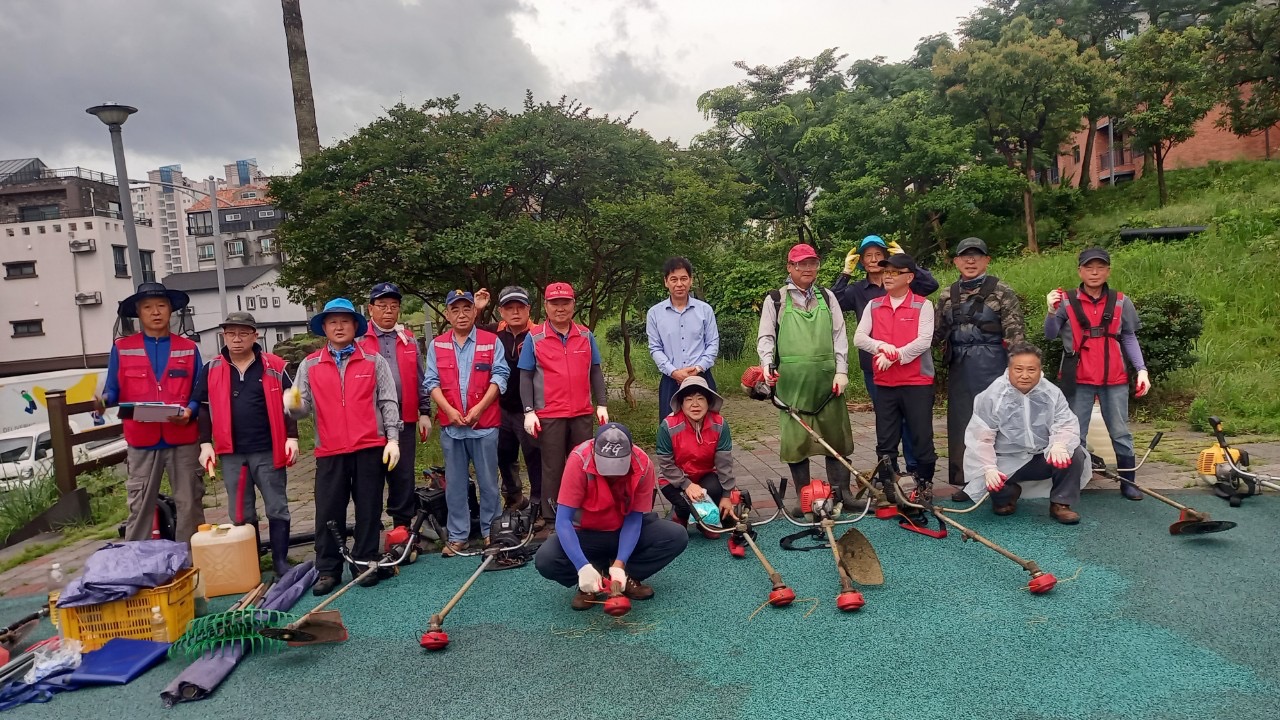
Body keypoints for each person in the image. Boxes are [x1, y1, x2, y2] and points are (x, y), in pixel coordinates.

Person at [286, 298, 401, 595]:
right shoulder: (310, 364)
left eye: (345, 321)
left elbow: (388, 401)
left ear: (354, 326)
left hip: (368, 447)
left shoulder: (374, 361)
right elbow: (302, 408)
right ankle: (327, 568)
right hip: (330, 451)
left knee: (368, 508)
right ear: (324, 327)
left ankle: (364, 561)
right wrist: (293, 405)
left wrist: (392, 439)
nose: (339, 327)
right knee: (328, 511)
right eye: (333, 322)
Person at [534, 423, 688, 609]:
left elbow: (633, 519)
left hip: (623, 529)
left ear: (630, 454)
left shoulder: (643, 464)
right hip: (585, 533)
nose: (613, 474)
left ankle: (624, 576)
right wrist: (581, 565)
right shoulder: (578, 460)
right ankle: (591, 577)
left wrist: (620, 563)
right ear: (594, 452)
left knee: (675, 536)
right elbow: (563, 521)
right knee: (546, 559)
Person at [193, 312, 300, 576]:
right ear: (224, 336)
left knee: (277, 505)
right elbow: (203, 408)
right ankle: (250, 561)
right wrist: (205, 444)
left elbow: (292, 404)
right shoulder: (212, 369)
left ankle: (280, 561)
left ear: (255, 335)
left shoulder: (276, 365)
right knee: (240, 510)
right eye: (231, 334)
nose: (237, 339)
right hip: (232, 453)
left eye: (243, 333)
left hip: (268, 448)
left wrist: (292, 437)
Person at [100, 282, 205, 543]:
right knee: (140, 505)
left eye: (161, 306)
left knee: (189, 502)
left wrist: (190, 412)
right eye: (148, 307)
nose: (155, 312)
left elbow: (199, 393)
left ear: (171, 311)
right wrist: (102, 400)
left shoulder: (189, 348)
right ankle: (138, 563)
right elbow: (112, 390)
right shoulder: (122, 348)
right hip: (141, 439)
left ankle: (190, 562)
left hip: (182, 437)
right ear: (138, 312)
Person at [1045, 247, 1151, 501]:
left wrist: (1142, 370)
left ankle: (1128, 482)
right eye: (1089, 267)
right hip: (1077, 377)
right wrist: (1050, 311)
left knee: (1120, 431)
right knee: (1074, 432)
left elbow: (1129, 337)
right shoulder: (1066, 300)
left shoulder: (1121, 301)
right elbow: (1050, 334)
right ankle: (1075, 482)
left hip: (1114, 377)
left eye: (1100, 267)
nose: (1094, 272)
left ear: (1108, 271)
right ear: (1080, 271)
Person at [756, 243, 856, 507]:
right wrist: (766, 366)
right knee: (796, 442)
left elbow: (839, 336)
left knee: (837, 438)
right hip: (791, 383)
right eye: (801, 264)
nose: (808, 268)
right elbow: (766, 337)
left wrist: (841, 371)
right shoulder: (775, 299)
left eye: (812, 263)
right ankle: (805, 499)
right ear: (790, 267)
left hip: (828, 382)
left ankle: (842, 495)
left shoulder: (828, 297)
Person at [831, 235, 938, 474]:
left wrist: (907, 261)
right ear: (861, 260)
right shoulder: (862, 293)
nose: (874, 260)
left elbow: (930, 286)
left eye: (879, 255)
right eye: (867, 255)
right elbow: (834, 302)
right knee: (887, 425)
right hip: (876, 369)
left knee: (915, 425)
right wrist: (845, 272)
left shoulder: (912, 292)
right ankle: (891, 475)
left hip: (913, 372)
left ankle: (916, 472)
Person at [933, 237, 1025, 487]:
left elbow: (1016, 334)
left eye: (976, 256)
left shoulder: (1002, 291)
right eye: (965, 256)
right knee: (962, 423)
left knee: (995, 422)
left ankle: (1003, 480)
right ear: (956, 261)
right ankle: (966, 479)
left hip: (993, 364)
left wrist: (1017, 371)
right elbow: (934, 334)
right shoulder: (947, 294)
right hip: (959, 367)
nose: (970, 261)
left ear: (987, 260)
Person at [424, 289, 510, 556]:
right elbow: (431, 382)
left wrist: (479, 410)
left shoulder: (491, 341)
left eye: (466, 309)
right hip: (452, 427)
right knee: (456, 483)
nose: (461, 315)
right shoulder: (437, 345)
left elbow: (500, 377)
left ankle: (490, 532)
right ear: (448, 315)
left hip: (484, 425)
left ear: (475, 312)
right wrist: (448, 410)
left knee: (488, 481)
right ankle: (458, 535)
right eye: (455, 310)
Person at [962, 343, 1085, 524]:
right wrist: (989, 468)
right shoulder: (992, 395)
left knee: (1075, 454)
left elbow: (1065, 423)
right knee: (993, 487)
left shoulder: (1051, 393)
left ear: (1040, 369)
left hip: (1041, 456)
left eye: (1031, 370)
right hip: (1005, 459)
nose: (1025, 375)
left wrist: (1059, 444)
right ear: (1009, 369)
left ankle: (1061, 503)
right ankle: (1008, 493)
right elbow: (981, 437)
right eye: (1018, 369)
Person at [852, 254, 939, 509]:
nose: (888, 276)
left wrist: (897, 356)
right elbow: (859, 338)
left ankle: (924, 485)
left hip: (917, 382)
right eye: (886, 272)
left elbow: (924, 341)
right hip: (885, 383)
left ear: (909, 277)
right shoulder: (874, 305)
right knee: (885, 439)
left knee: (921, 437)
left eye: (894, 272)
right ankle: (890, 488)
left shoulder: (923, 306)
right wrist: (883, 348)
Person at [519, 282, 610, 521]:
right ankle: (553, 519)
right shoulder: (534, 337)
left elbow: (595, 371)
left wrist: (602, 404)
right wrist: (529, 410)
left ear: (573, 304)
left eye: (565, 302)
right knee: (553, 468)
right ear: (546, 306)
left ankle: (586, 515)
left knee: (585, 465)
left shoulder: (585, 335)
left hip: (581, 413)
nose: (560, 308)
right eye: (555, 303)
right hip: (549, 414)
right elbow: (525, 376)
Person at [357, 282, 432, 531]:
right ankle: (371, 526)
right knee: (371, 475)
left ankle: (403, 527)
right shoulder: (359, 341)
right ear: (371, 309)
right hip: (370, 420)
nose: (388, 311)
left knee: (403, 475)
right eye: (382, 306)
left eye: (394, 306)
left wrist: (424, 412)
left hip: (405, 417)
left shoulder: (408, 339)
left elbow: (420, 377)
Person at [472, 286, 542, 515]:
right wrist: (477, 310)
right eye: (509, 307)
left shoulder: (539, 334)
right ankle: (514, 498)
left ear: (528, 309)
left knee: (535, 457)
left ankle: (538, 504)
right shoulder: (493, 332)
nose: (515, 312)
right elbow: (467, 333)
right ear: (501, 311)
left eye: (520, 307)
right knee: (504, 454)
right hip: (500, 407)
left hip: (531, 409)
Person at [655, 376, 739, 551]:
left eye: (700, 398)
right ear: (681, 403)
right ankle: (680, 516)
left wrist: (726, 496)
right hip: (674, 479)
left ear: (709, 402)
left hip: (705, 475)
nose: (695, 404)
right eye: (689, 399)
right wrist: (686, 484)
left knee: (716, 489)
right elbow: (666, 464)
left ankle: (703, 522)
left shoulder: (720, 424)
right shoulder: (667, 426)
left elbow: (724, 463)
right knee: (684, 505)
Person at [646, 257, 720, 422]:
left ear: (690, 280)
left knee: (708, 427)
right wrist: (673, 371)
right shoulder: (654, 313)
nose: (679, 284)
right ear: (666, 282)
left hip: (702, 378)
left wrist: (699, 368)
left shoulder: (705, 310)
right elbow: (655, 348)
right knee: (671, 430)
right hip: (670, 381)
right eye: (674, 279)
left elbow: (713, 343)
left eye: (683, 278)